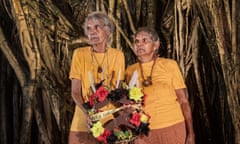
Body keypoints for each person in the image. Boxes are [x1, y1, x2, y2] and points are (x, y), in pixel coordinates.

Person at [125, 27, 195, 144]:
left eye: (144, 40)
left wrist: (191, 133)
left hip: (173, 127)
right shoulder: (130, 71)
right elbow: (127, 107)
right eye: (136, 41)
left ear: (155, 45)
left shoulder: (170, 65)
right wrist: (135, 134)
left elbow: (183, 101)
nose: (139, 44)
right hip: (145, 133)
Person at [68, 11, 125, 144]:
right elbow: (75, 92)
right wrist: (89, 113)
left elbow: (117, 91)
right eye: (88, 28)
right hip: (83, 120)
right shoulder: (79, 54)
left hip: (109, 120)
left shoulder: (118, 55)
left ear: (108, 31)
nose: (92, 32)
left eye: (96, 27)